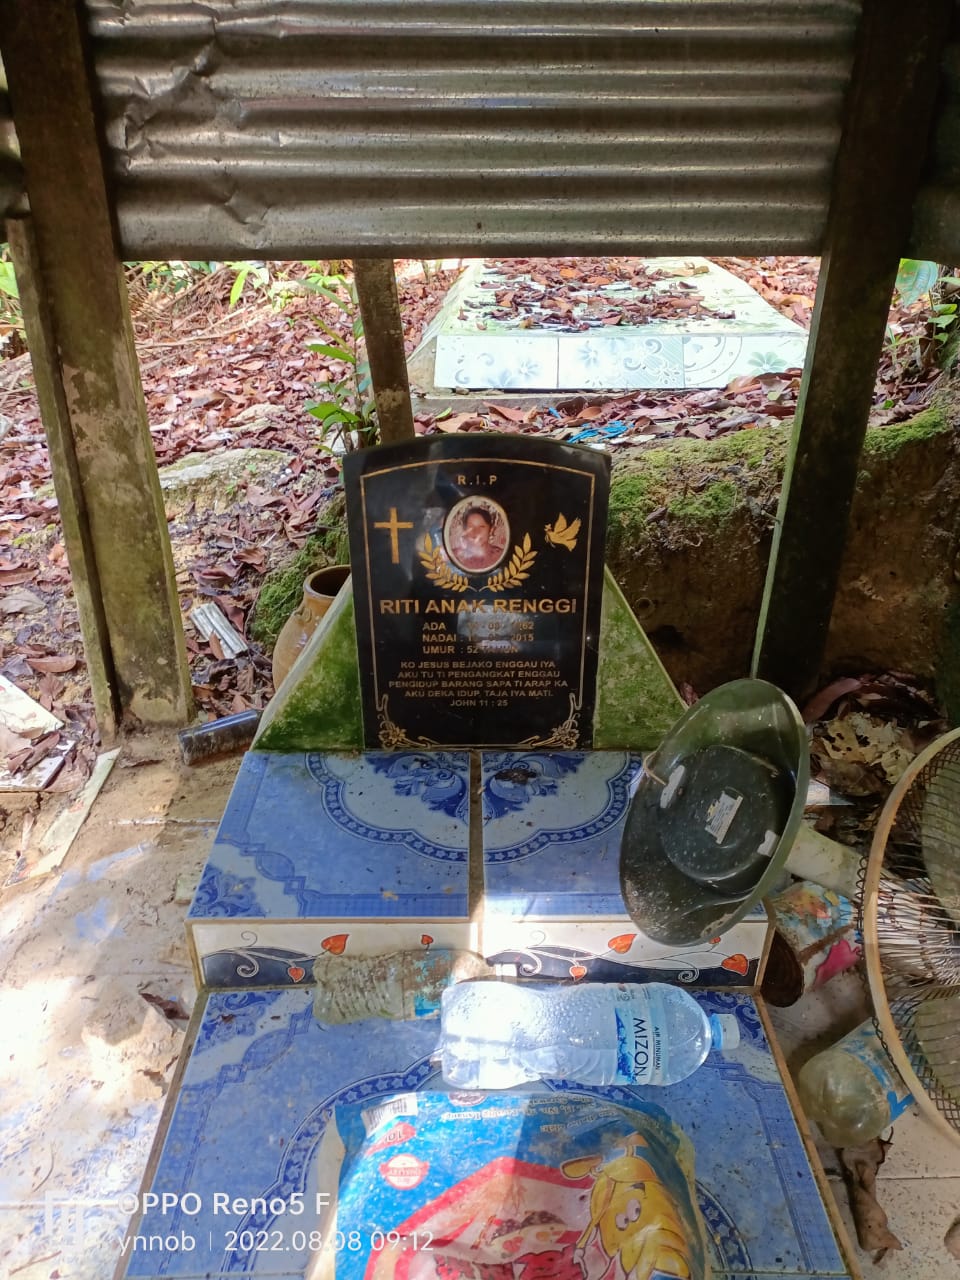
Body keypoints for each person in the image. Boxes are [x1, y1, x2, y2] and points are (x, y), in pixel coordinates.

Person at [448, 506, 504, 572]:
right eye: (471, 527)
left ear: (491, 530)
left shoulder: (500, 556)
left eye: (481, 527)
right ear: (464, 530)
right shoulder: (453, 556)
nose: (476, 532)